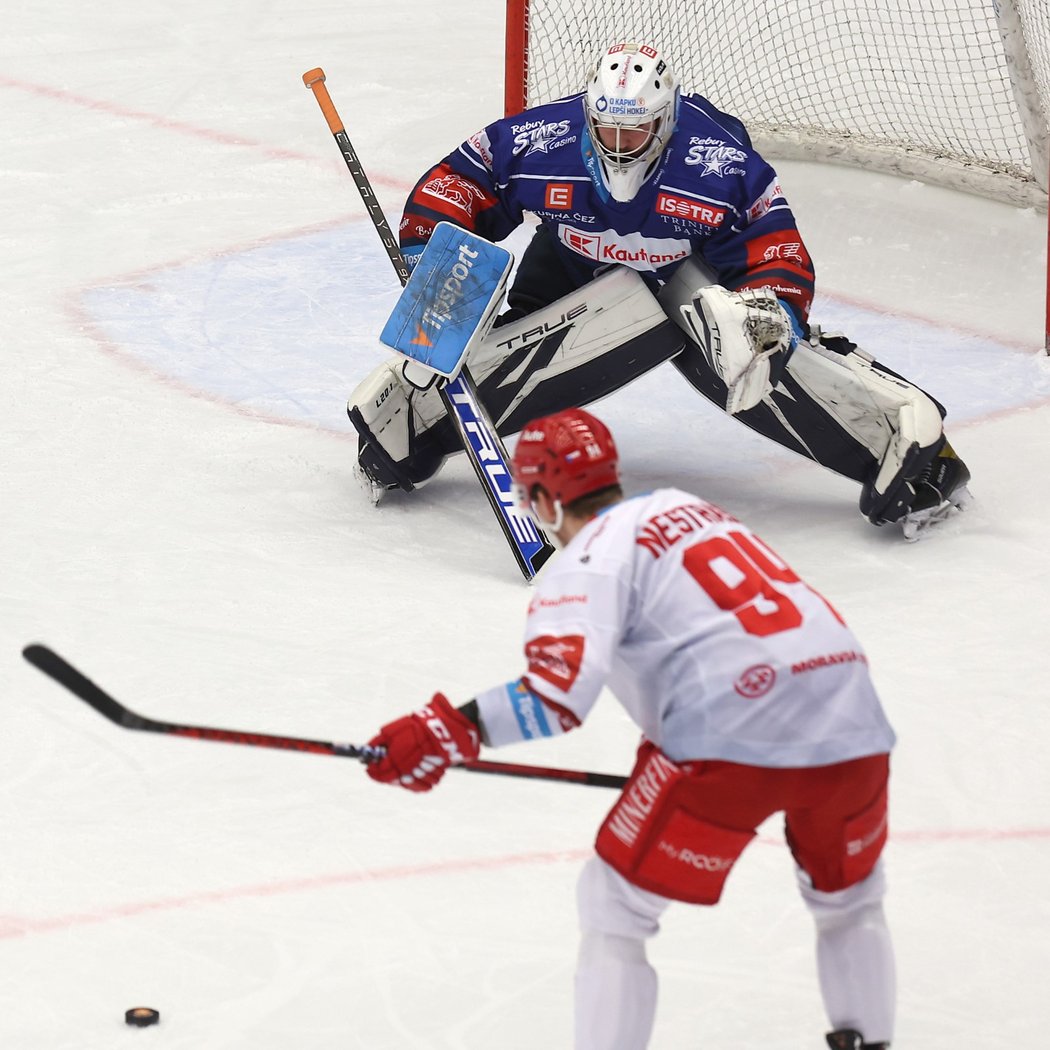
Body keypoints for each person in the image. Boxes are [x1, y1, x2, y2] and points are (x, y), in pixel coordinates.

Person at [364, 407, 897, 1050]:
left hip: (729, 738)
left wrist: (443, 729)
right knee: (849, 901)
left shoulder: (585, 558)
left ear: (537, 496)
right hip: (853, 719)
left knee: (614, 907)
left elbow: (556, 697)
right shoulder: (687, 510)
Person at [348, 40, 971, 540]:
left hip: (683, 279)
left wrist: (765, 319)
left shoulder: (718, 163)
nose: (618, 146)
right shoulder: (545, 138)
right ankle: (405, 423)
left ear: (665, 121)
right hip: (568, 261)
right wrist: (434, 262)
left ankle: (908, 442)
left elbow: (775, 249)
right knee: (477, 348)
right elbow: (463, 179)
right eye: (607, 131)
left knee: (743, 358)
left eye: (635, 133)